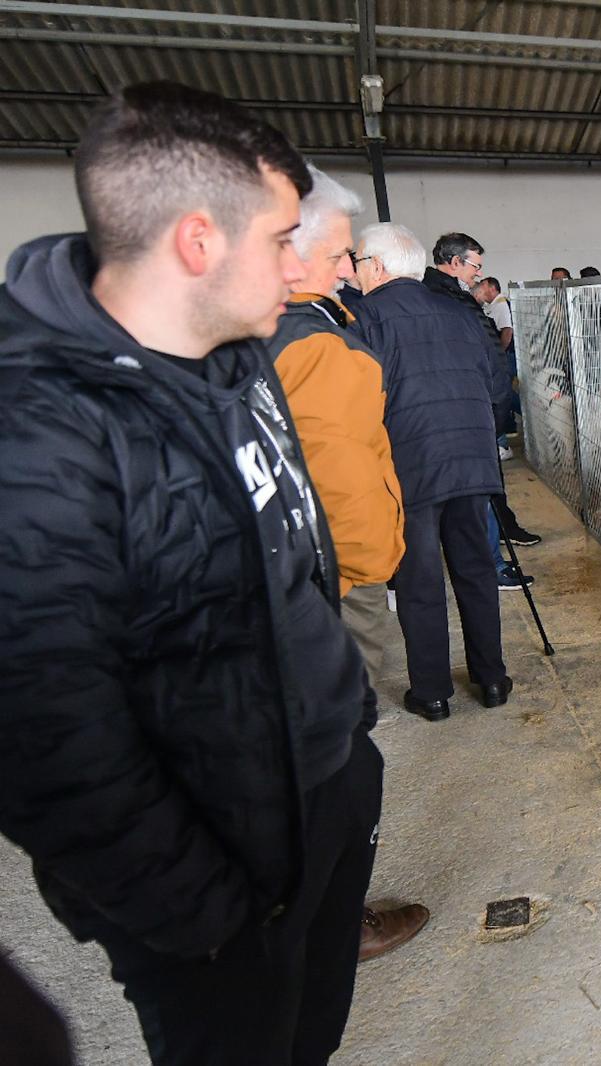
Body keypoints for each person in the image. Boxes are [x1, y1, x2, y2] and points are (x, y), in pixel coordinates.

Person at [0, 81, 381, 1065]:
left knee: (310, 1040)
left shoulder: (237, 355)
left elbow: (292, 552)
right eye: (282, 239)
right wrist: (202, 909)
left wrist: (350, 753)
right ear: (198, 240)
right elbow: (45, 738)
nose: (299, 267)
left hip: (325, 790)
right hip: (215, 880)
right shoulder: (38, 433)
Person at [268, 166, 431, 961]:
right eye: (338, 254)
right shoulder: (309, 340)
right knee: (338, 755)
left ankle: (320, 908)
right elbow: (341, 473)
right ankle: (333, 918)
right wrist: (375, 563)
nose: (348, 267)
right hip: (335, 573)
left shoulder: (296, 330)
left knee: (323, 748)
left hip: (310, 571)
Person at [352, 222, 514, 721]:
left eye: (358, 263)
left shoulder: (364, 316)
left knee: (420, 581)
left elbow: (358, 400)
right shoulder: (461, 312)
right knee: (476, 570)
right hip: (471, 461)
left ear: (377, 266)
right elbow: (495, 385)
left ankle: (433, 692)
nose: (354, 273)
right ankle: (490, 680)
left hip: (410, 469)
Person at [423, 234, 541, 549]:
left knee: (487, 484)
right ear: (455, 262)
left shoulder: (454, 298)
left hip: (482, 408)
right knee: (478, 489)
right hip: (472, 412)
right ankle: (493, 555)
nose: (478, 273)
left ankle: (503, 529)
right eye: (475, 266)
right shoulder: (443, 300)